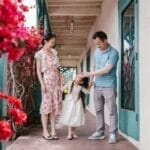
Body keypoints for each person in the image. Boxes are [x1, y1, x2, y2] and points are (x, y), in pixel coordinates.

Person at [82, 31, 119, 144]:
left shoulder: (114, 53)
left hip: (109, 85)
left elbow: (106, 69)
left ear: (105, 40)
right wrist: (91, 80)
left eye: (99, 44)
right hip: (97, 85)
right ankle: (100, 131)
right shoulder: (97, 52)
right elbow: (94, 66)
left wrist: (89, 74)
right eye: (96, 44)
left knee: (112, 111)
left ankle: (113, 133)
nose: (98, 47)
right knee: (98, 110)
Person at [34, 33, 62, 140]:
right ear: (45, 41)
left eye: (54, 42)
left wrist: (60, 81)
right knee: (46, 107)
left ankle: (53, 130)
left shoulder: (54, 52)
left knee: (54, 107)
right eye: (52, 42)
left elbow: (57, 68)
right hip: (47, 80)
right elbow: (38, 71)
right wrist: (42, 84)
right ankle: (45, 131)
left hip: (55, 81)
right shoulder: (39, 54)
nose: (53, 44)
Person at [59, 74, 92, 140]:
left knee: (75, 117)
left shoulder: (81, 86)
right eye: (77, 76)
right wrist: (61, 82)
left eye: (80, 77)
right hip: (70, 103)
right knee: (70, 116)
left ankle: (73, 133)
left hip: (77, 103)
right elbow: (62, 89)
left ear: (82, 81)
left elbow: (87, 92)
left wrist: (90, 86)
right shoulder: (70, 83)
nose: (77, 77)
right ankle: (69, 133)